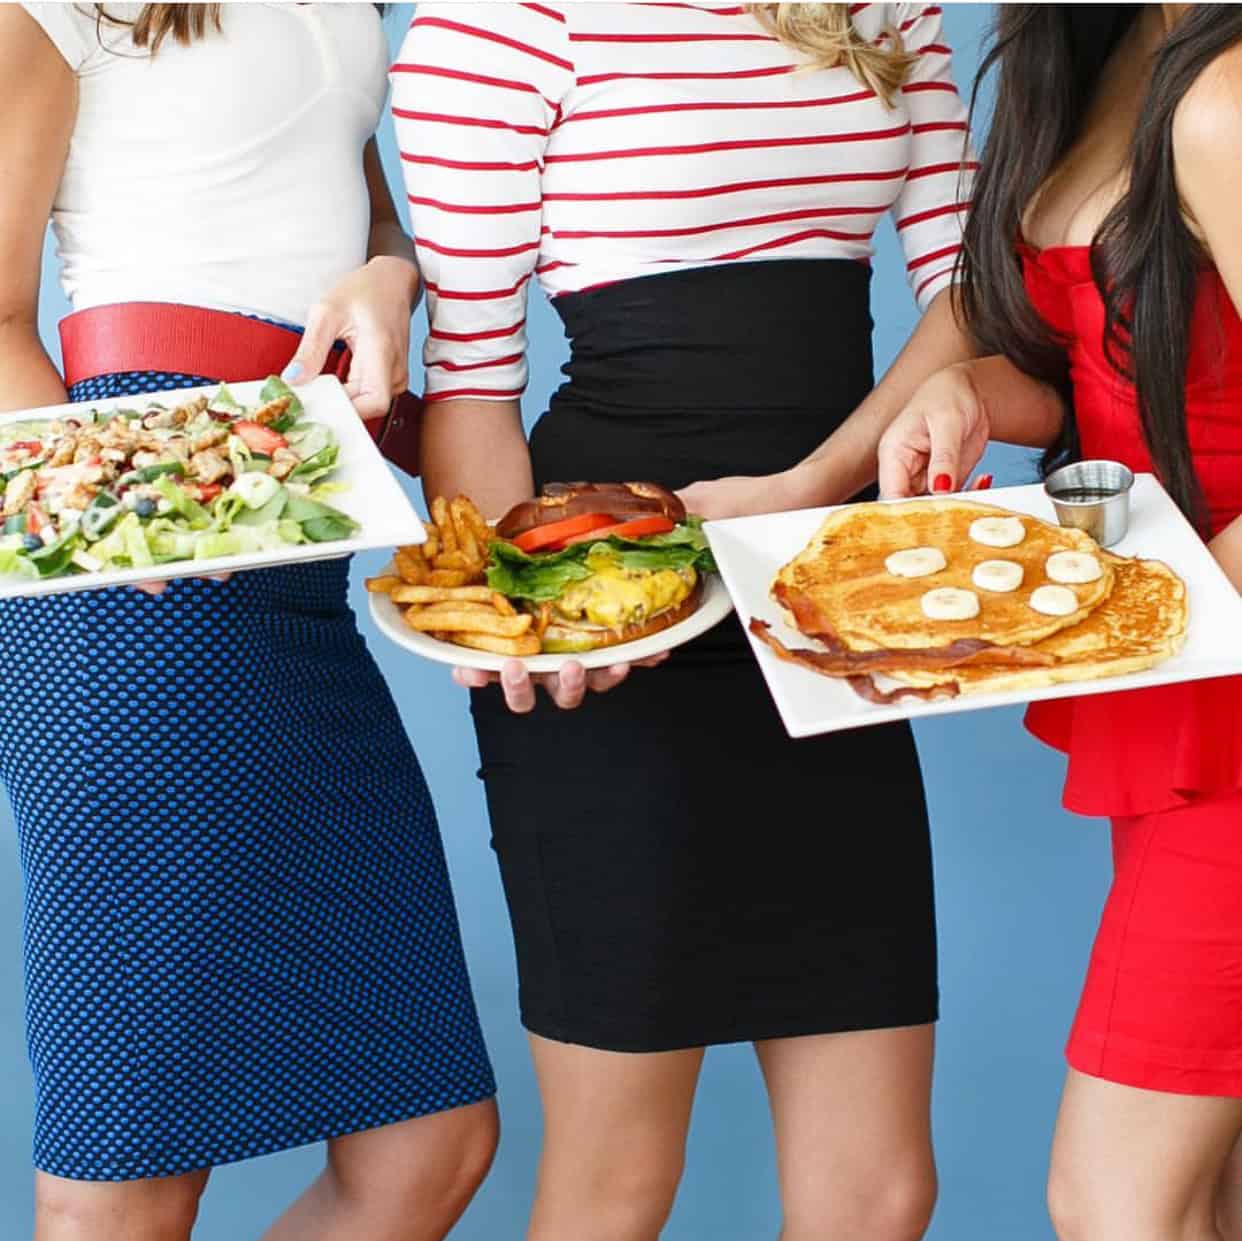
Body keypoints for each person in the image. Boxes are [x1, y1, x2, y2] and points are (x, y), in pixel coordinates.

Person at [393, 5, 978, 1238]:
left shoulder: (881, 6)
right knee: (614, 1185)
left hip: (821, 583)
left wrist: (806, 493)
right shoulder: (494, 26)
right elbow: (474, 390)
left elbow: (973, 287)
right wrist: (546, 624)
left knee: (879, 1193)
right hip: (620, 617)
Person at [0, 6, 496, 1239]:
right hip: (130, 549)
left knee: (427, 1139)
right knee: (132, 1156)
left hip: (294, 528)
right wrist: (129, 503)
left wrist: (390, 275)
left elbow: (356, 208)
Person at [875, 6, 1242, 1240]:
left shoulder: (1226, 94)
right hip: (1177, 688)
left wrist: (1138, 613)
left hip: (1223, 694)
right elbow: (1119, 361)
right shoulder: (1096, 51)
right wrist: (970, 386)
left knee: (1117, 1200)